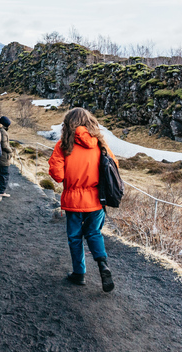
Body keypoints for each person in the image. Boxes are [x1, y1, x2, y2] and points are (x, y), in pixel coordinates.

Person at [47, 107, 116, 292]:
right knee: (94, 233)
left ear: (68, 124)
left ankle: (79, 274)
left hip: (73, 200)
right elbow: (113, 167)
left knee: (75, 237)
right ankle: (103, 266)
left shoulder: (63, 145)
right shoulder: (100, 144)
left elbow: (57, 175)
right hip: (96, 199)